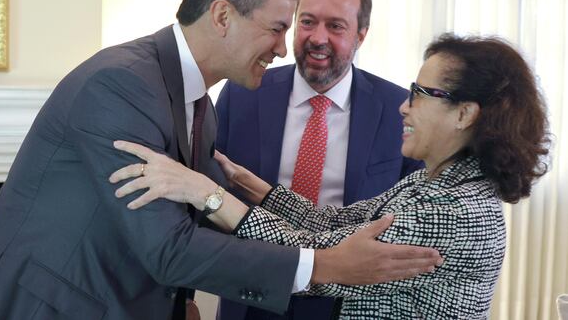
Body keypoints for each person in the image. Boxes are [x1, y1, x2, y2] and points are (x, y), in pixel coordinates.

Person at [0, 0, 441, 320]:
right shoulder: (120, 85)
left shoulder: (198, 99)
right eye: (277, 28)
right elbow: (169, 246)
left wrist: (179, 301)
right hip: (48, 305)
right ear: (223, 16)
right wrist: (324, 265)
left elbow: (197, 216)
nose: (283, 48)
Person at [111, 33, 549, 319]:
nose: (404, 106)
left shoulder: (450, 212)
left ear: (465, 114)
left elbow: (321, 256)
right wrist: (251, 186)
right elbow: (337, 223)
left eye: (420, 94)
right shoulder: (435, 182)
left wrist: (208, 194)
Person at [215, 0, 422, 320]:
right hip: (252, 294)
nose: (317, 38)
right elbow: (209, 192)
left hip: (347, 303)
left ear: (361, 35)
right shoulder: (242, 93)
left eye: (336, 26)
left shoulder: (399, 110)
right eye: (308, 22)